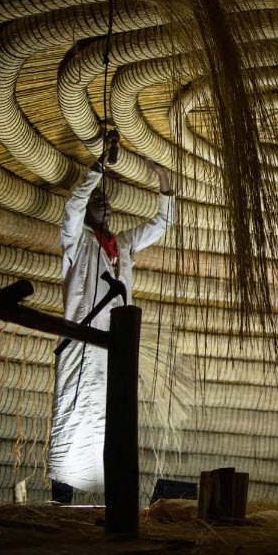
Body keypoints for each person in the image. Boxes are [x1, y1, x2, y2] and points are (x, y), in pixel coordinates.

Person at [50, 134, 174, 503]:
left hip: (116, 347)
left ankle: (111, 500)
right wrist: (98, 168)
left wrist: (165, 183)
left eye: (106, 201)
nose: (104, 205)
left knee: (110, 416)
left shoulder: (123, 246)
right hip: (81, 340)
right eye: (97, 201)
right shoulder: (77, 243)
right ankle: (61, 498)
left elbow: (161, 224)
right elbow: (72, 208)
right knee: (71, 412)